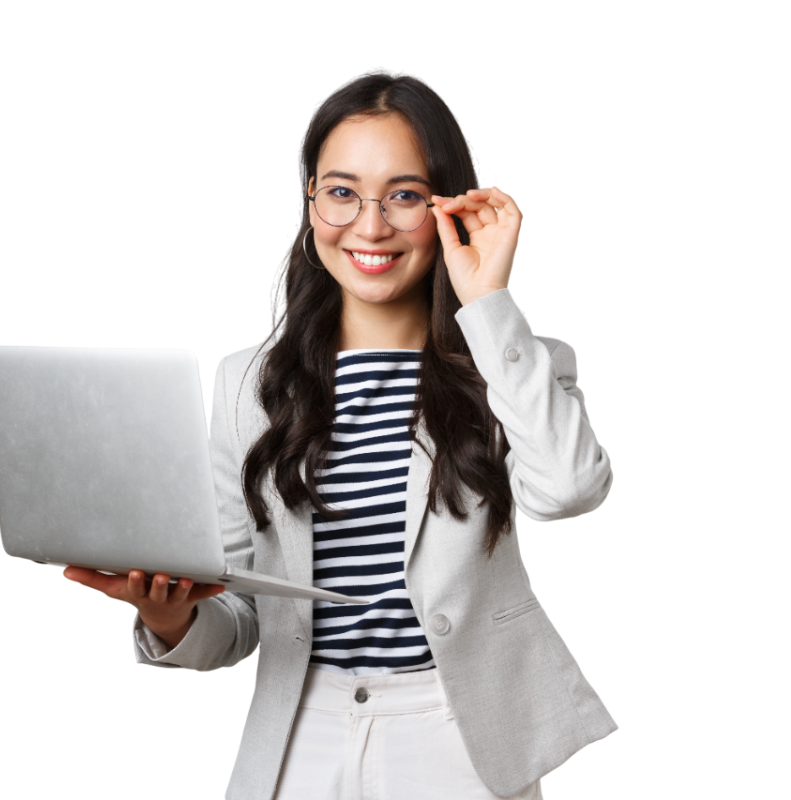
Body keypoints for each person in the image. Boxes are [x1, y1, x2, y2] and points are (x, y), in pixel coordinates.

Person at [62, 67, 618, 799]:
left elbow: (571, 491)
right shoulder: (245, 383)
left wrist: (487, 301)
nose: (370, 224)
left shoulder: (518, 362)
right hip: (299, 738)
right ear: (310, 202)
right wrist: (168, 615)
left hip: (461, 740)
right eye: (343, 191)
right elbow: (237, 622)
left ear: (450, 204)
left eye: (405, 195)